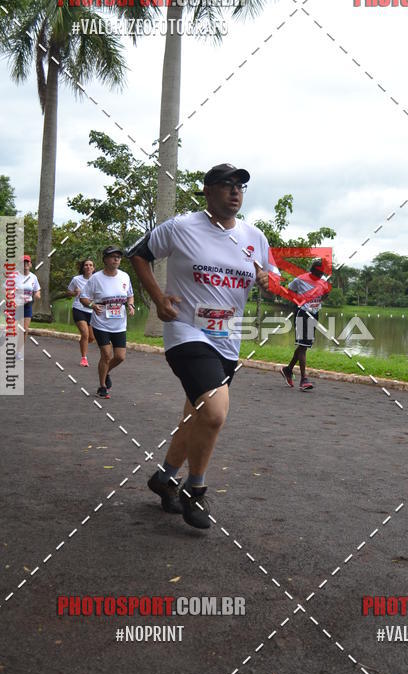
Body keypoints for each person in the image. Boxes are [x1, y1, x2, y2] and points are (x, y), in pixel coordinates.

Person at [126, 163, 270, 530]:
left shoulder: (255, 236)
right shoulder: (181, 227)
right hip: (187, 332)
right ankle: (195, 490)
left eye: (240, 185)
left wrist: (268, 279)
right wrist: (158, 298)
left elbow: (269, 276)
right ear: (207, 191)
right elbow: (138, 254)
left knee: (196, 414)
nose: (235, 191)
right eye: (226, 185)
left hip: (228, 339)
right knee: (216, 412)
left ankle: (165, 477)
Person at [80, 246, 134, 399]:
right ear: (105, 260)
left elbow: (130, 295)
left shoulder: (125, 276)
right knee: (106, 354)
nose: (116, 259)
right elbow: (83, 298)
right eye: (112, 256)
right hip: (101, 323)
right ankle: (102, 386)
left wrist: (131, 305)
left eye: (118, 256)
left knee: (120, 356)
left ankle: (105, 371)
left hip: (119, 324)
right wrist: (92, 305)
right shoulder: (96, 278)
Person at [280, 259, 330, 391]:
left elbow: (326, 293)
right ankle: (303, 379)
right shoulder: (300, 279)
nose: (320, 275)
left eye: (321, 273)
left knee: (304, 346)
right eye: (318, 272)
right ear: (312, 270)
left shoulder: (323, 280)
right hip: (302, 313)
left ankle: (288, 369)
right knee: (303, 346)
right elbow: (288, 291)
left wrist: (319, 300)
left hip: (314, 314)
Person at [67, 258, 96, 366]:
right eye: (86, 265)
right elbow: (68, 292)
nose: (88, 267)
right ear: (83, 268)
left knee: (91, 338)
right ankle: (84, 358)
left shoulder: (97, 280)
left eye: (90, 265)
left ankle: (82, 343)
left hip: (92, 311)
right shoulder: (76, 279)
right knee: (85, 333)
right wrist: (74, 293)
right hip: (79, 309)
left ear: (93, 268)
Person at [16, 255, 41, 352]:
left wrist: (37, 295)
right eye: (23, 262)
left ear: (30, 264)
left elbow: (37, 290)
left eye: (27, 262)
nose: (25, 264)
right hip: (16, 305)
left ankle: (18, 352)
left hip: (27, 306)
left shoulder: (33, 277)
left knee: (24, 330)